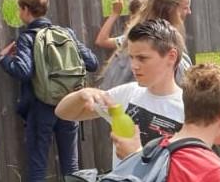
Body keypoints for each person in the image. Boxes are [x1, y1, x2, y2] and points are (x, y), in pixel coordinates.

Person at [0, 0, 98, 182]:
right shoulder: (67, 33)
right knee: (71, 167)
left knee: (37, 169)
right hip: (70, 106)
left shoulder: (28, 37)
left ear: (24, 10)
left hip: (41, 108)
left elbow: (23, 71)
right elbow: (92, 63)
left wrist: (3, 59)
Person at [56, 19, 185, 167]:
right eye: (131, 57)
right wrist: (81, 95)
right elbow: (63, 112)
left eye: (142, 58)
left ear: (171, 56)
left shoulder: (187, 109)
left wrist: (135, 155)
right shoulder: (127, 93)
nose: (134, 66)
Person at [98, 0, 192, 90]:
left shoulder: (133, 38)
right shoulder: (159, 47)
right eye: (185, 7)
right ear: (172, 10)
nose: (189, 11)